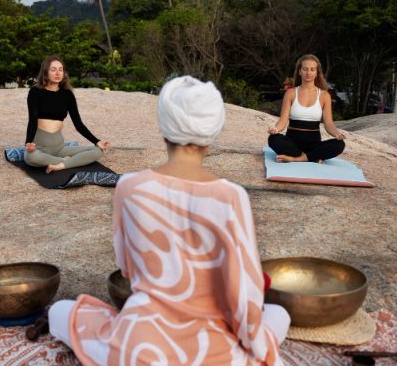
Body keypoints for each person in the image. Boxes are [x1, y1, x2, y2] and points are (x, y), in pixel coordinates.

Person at [48, 76, 290, 365]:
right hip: (211, 352)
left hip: (138, 346)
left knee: (59, 311)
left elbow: (127, 269)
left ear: (163, 129)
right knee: (279, 315)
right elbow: (244, 293)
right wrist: (257, 345)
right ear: (211, 134)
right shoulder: (231, 196)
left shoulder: (129, 185)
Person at [24, 55, 109, 173]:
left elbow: (78, 123)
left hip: (60, 148)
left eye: (60, 69)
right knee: (32, 157)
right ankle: (65, 161)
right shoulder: (35, 92)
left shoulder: (67, 94)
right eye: (53, 70)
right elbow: (32, 120)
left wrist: (97, 141)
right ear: (45, 72)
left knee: (98, 151)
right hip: (39, 148)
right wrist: (28, 143)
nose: (58, 73)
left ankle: (59, 165)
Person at [268, 54, 346, 163]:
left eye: (312, 69)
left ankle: (298, 158)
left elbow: (329, 124)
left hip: (314, 145)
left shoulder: (324, 95)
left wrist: (337, 134)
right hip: (292, 144)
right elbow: (283, 120)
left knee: (339, 144)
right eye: (305, 69)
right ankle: (310, 157)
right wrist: (275, 129)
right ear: (299, 71)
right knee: (273, 139)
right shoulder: (290, 93)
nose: (308, 73)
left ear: (317, 72)